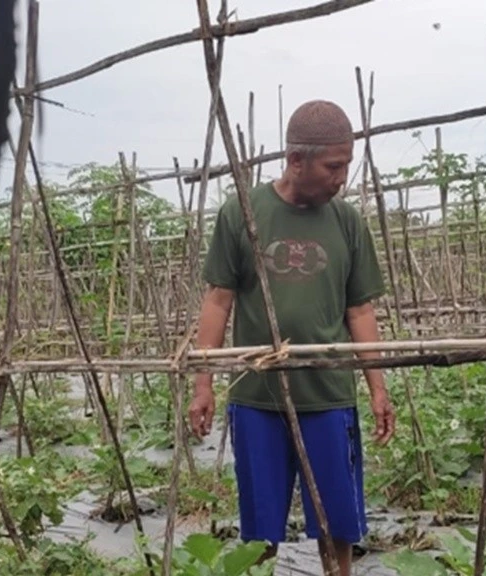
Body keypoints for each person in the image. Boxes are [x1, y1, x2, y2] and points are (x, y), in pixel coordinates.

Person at [187, 99, 396, 574]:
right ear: (296, 161)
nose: (342, 177)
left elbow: (359, 310)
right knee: (261, 530)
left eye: (346, 165)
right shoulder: (243, 213)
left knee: (337, 524)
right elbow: (218, 301)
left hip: (327, 397)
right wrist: (204, 384)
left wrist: (377, 388)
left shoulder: (346, 221)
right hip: (258, 400)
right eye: (333, 166)